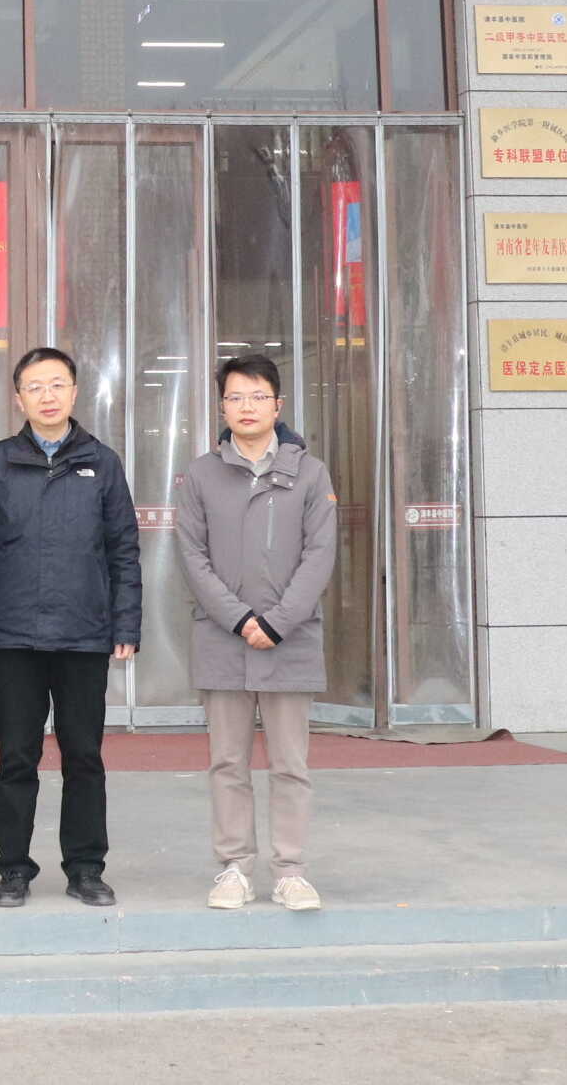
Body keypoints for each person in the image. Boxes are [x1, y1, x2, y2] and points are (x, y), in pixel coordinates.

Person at [0, 345, 142, 908]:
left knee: (84, 757)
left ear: (74, 392)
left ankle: (86, 868)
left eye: (57, 385)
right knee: (15, 759)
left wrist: (125, 621)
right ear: (18, 398)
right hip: (15, 634)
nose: (47, 396)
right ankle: (13, 870)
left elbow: (122, 549)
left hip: (83, 634)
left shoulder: (102, 462)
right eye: (34, 387)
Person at [174, 351, 338, 913]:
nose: (247, 406)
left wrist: (278, 621)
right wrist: (240, 619)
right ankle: (234, 868)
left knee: (290, 764)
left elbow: (320, 555)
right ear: (222, 407)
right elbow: (192, 557)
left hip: (291, 641)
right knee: (227, 763)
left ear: (278, 405)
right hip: (223, 639)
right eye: (236, 397)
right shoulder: (201, 474)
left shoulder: (311, 473)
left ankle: (290, 870)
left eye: (258, 396)